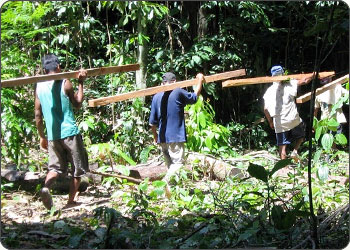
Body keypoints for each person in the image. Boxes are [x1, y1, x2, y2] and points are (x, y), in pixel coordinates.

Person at [35, 54, 89, 210]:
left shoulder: (39, 86)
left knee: (54, 168)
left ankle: (46, 188)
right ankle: (70, 201)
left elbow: (38, 115)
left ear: (44, 69)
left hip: (53, 135)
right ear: (58, 67)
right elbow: (78, 103)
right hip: (70, 133)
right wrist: (80, 83)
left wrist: (42, 136)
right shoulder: (65, 82)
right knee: (77, 169)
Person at [149, 72, 205, 197]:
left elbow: (152, 123)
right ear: (174, 82)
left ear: (163, 83)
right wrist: (200, 80)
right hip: (175, 136)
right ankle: (162, 185)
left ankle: (170, 194)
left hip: (162, 137)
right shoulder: (178, 92)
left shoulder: (156, 96)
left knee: (171, 167)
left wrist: (155, 137)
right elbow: (194, 97)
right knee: (178, 164)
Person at [263, 65, 312, 161]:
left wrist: (270, 122)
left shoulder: (269, 91)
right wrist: (313, 75)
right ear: (283, 74)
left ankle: (284, 166)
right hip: (293, 118)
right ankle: (295, 150)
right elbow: (305, 80)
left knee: (282, 145)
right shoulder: (290, 84)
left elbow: (265, 109)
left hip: (279, 121)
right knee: (301, 135)